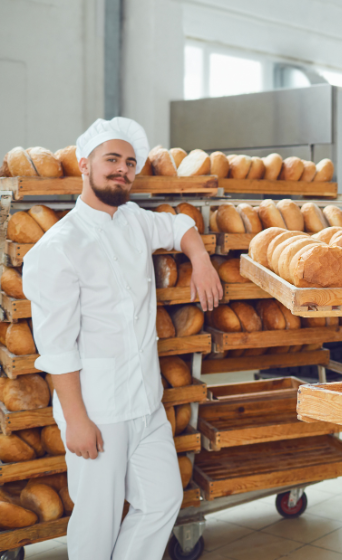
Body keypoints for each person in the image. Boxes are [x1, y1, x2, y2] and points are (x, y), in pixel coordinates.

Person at [23, 117, 223, 560]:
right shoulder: (57, 249)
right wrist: (75, 419)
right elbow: (56, 347)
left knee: (162, 501)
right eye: (111, 159)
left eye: (130, 162)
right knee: (96, 521)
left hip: (145, 402)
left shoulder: (133, 220)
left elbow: (177, 227)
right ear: (84, 165)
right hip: (97, 409)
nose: (123, 170)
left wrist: (201, 260)